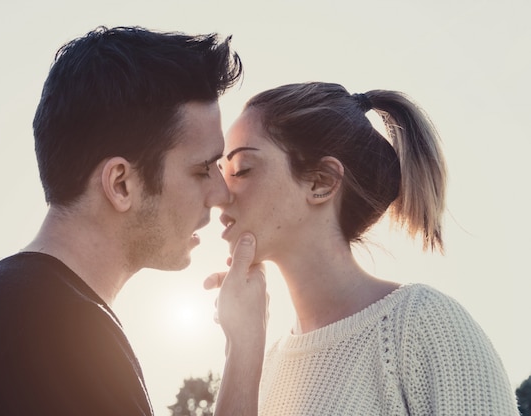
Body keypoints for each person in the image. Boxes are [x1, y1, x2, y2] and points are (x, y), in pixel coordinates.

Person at [0, 26, 267, 416]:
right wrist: (246, 351)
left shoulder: (22, 311)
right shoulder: (56, 334)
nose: (221, 194)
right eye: (203, 169)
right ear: (120, 184)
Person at [206, 82, 519, 414]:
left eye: (242, 170)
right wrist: (241, 350)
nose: (219, 194)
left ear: (321, 181)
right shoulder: (264, 367)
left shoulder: (422, 325)